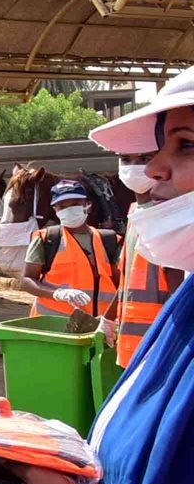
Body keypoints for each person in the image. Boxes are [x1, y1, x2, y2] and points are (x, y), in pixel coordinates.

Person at [0, 64, 194, 484]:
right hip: (105, 337)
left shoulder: (114, 237)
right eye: (152, 151)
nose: (153, 170)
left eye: (185, 145)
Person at [103, 152, 184, 368]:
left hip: (162, 351)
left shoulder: (168, 219)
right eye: (125, 160)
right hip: (134, 349)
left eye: (144, 159)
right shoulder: (136, 214)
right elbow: (127, 280)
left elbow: (181, 294)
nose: (133, 167)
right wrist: (108, 319)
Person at [19, 179, 120, 318]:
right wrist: (57, 293)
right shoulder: (47, 239)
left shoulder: (109, 240)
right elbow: (26, 281)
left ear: (87, 205)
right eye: (63, 206)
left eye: (75, 204)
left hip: (100, 326)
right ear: (55, 210)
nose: (69, 210)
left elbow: (121, 284)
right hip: (54, 326)